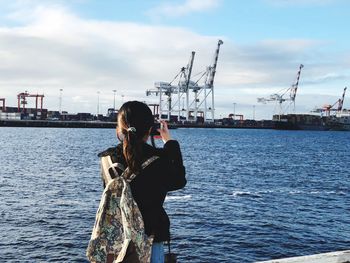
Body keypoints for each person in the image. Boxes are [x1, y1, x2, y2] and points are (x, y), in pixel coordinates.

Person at [98, 101, 186, 263]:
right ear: (150, 129)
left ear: (120, 128)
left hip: (118, 238)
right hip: (151, 237)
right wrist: (170, 143)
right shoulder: (158, 159)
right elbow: (179, 181)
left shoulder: (106, 159)